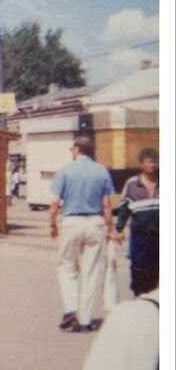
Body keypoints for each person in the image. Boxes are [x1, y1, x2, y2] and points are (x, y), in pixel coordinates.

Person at [49, 135, 116, 333]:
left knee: (67, 267)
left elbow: (54, 202)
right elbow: (106, 205)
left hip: (71, 222)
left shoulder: (65, 171)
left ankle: (70, 307)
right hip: (95, 223)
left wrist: (52, 224)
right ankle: (85, 320)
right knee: (91, 271)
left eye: (72, 149)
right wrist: (110, 230)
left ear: (77, 149)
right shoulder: (101, 171)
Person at [115, 148, 158, 297]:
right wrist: (119, 230)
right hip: (140, 237)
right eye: (149, 162)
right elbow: (124, 209)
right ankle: (140, 298)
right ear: (141, 164)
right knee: (139, 270)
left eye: (155, 162)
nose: (152, 165)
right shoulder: (132, 184)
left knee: (157, 271)